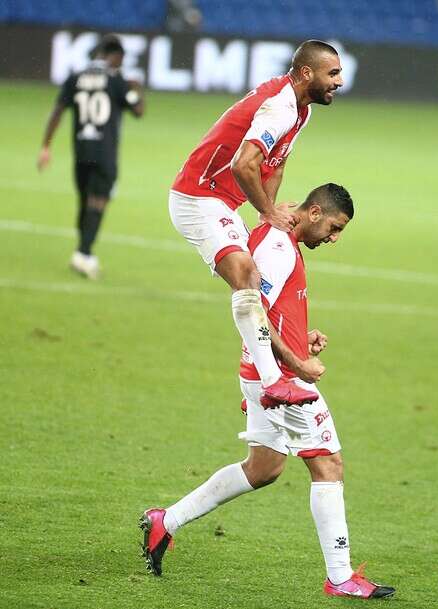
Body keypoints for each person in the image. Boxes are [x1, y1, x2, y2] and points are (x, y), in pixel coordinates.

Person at [141, 183, 396, 599]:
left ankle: (164, 521)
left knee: (263, 468)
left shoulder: (279, 239)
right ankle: (341, 577)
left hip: (261, 372)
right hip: (280, 379)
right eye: (334, 227)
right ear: (314, 212)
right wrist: (298, 361)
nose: (334, 238)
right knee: (328, 464)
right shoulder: (278, 248)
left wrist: (299, 338)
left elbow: (268, 314)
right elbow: (252, 312)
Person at [169, 40, 343, 409]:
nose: (339, 81)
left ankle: (260, 380)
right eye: (332, 73)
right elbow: (243, 164)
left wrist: (267, 214)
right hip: (198, 196)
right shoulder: (279, 107)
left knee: (259, 283)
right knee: (247, 275)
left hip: (221, 202)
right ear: (306, 73)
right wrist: (267, 211)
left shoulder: (300, 112)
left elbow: (274, 164)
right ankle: (270, 380)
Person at [37, 34, 144, 279]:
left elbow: (57, 111)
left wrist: (45, 146)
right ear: (116, 56)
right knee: (98, 202)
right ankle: (83, 253)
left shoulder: (75, 77)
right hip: (105, 153)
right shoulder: (115, 80)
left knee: (85, 201)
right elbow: (138, 110)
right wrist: (136, 88)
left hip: (81, 151)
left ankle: (83, 251)